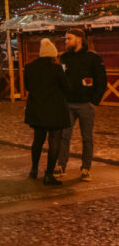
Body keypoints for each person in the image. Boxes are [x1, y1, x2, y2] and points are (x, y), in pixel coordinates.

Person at [54, 28, 107, 182]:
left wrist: (93, 102)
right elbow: (60, 80)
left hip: (85, 104)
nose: (66, 41)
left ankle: (85, 168)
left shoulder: (93, 58)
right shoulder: (64, 58)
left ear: (79, 39)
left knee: (87, 137)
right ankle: (61, 165)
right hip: (68, 103)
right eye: (65, 39)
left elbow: (101, 81)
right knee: (64, 136)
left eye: (69, 38)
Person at [24, 38, 71, 185]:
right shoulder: (56, 68)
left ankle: (34, 169)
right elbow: (67, 88)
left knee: (38, 140)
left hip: (37, 108)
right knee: (54, 141)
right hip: (55, 110)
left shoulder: (30, 67)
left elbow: (27, 87)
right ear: (53, 54)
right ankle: (49, 175)